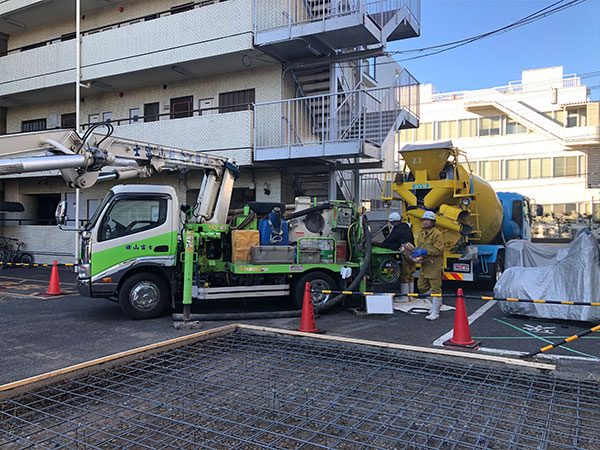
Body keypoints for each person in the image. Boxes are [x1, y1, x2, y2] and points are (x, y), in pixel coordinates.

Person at [411, 210, 445, 320]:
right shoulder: (421, 234)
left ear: (433, 222)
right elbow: (419, 247)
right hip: (424, 265)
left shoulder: (437, 234)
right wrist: (416, 253)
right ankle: (437, 302)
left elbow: (438, 250)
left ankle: (435, 312)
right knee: (421, 286)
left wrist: (424, 252)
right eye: (424, 220)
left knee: (435, 288)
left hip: (434, 265)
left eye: (428, 220)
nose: (425, 222)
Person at [379, 212, 415, 308]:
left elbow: (388, 242)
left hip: (404, 255)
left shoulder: (397, 230)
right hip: (412, 253)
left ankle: (404, 297)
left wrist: (376, 244)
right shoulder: (407, 228)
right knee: (410, 274)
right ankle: (410, 296)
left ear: (395, 222)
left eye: (392, 223)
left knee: (404, 275)